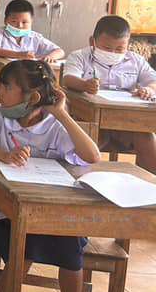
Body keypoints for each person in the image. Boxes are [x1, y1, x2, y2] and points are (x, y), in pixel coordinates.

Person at [0, 60, 110, 292]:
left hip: (54, 212)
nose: (0, 92)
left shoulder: (54, 124)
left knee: (71, 243)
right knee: (27, 239)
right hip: (9, 213)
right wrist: (3, 155)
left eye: (7, 87)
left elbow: (92, 156)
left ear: (32, 97)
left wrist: (62, 114)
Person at [62, 15, 156, 173]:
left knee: (147, 137)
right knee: (88, 138)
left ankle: (150, 183)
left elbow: (153, 80)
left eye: (119, 49)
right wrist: (85, 85)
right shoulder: (79, 56)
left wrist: (149, 90)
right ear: (92, 41)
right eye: (107, 48)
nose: (113, 52)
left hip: (127, 122)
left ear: (128, 44)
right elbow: (68, 79)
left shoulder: (136, 60)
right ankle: (79, 177)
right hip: (89, 119)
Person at [0, 0, 64, 63]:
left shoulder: (34, 37)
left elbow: (60, 51)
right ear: (5, 21)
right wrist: (18, 55)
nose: (20, 26)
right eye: (14, 21)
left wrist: (50, 57)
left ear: (31, 22)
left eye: (24, 22)